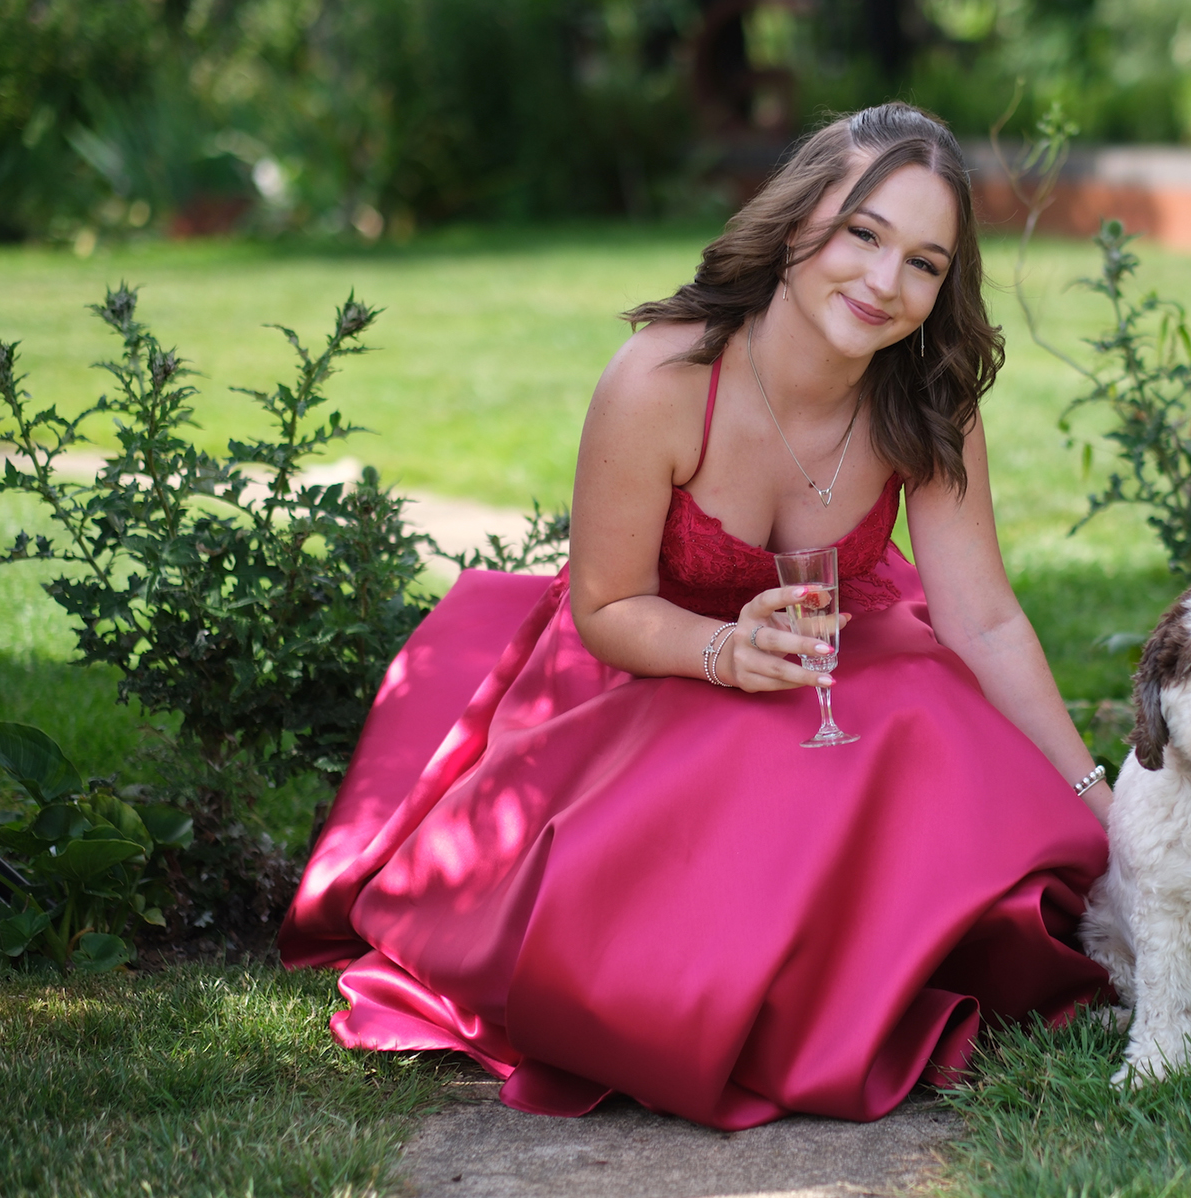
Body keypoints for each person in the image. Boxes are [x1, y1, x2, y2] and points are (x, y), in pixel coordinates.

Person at [280, 102, 1113, 1130]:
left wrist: (1100, 807)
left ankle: (878, 976)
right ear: (801, 217)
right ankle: (740, 1003)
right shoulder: (664, 379)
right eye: (864, 233)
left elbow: (981, 618)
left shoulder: (926, 395)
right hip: (646, 668)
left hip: (826, 658)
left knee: (917, 705)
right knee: (749, 779)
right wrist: (722, 649)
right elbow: (605, 606)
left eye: (924, 263)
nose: (885, 283)